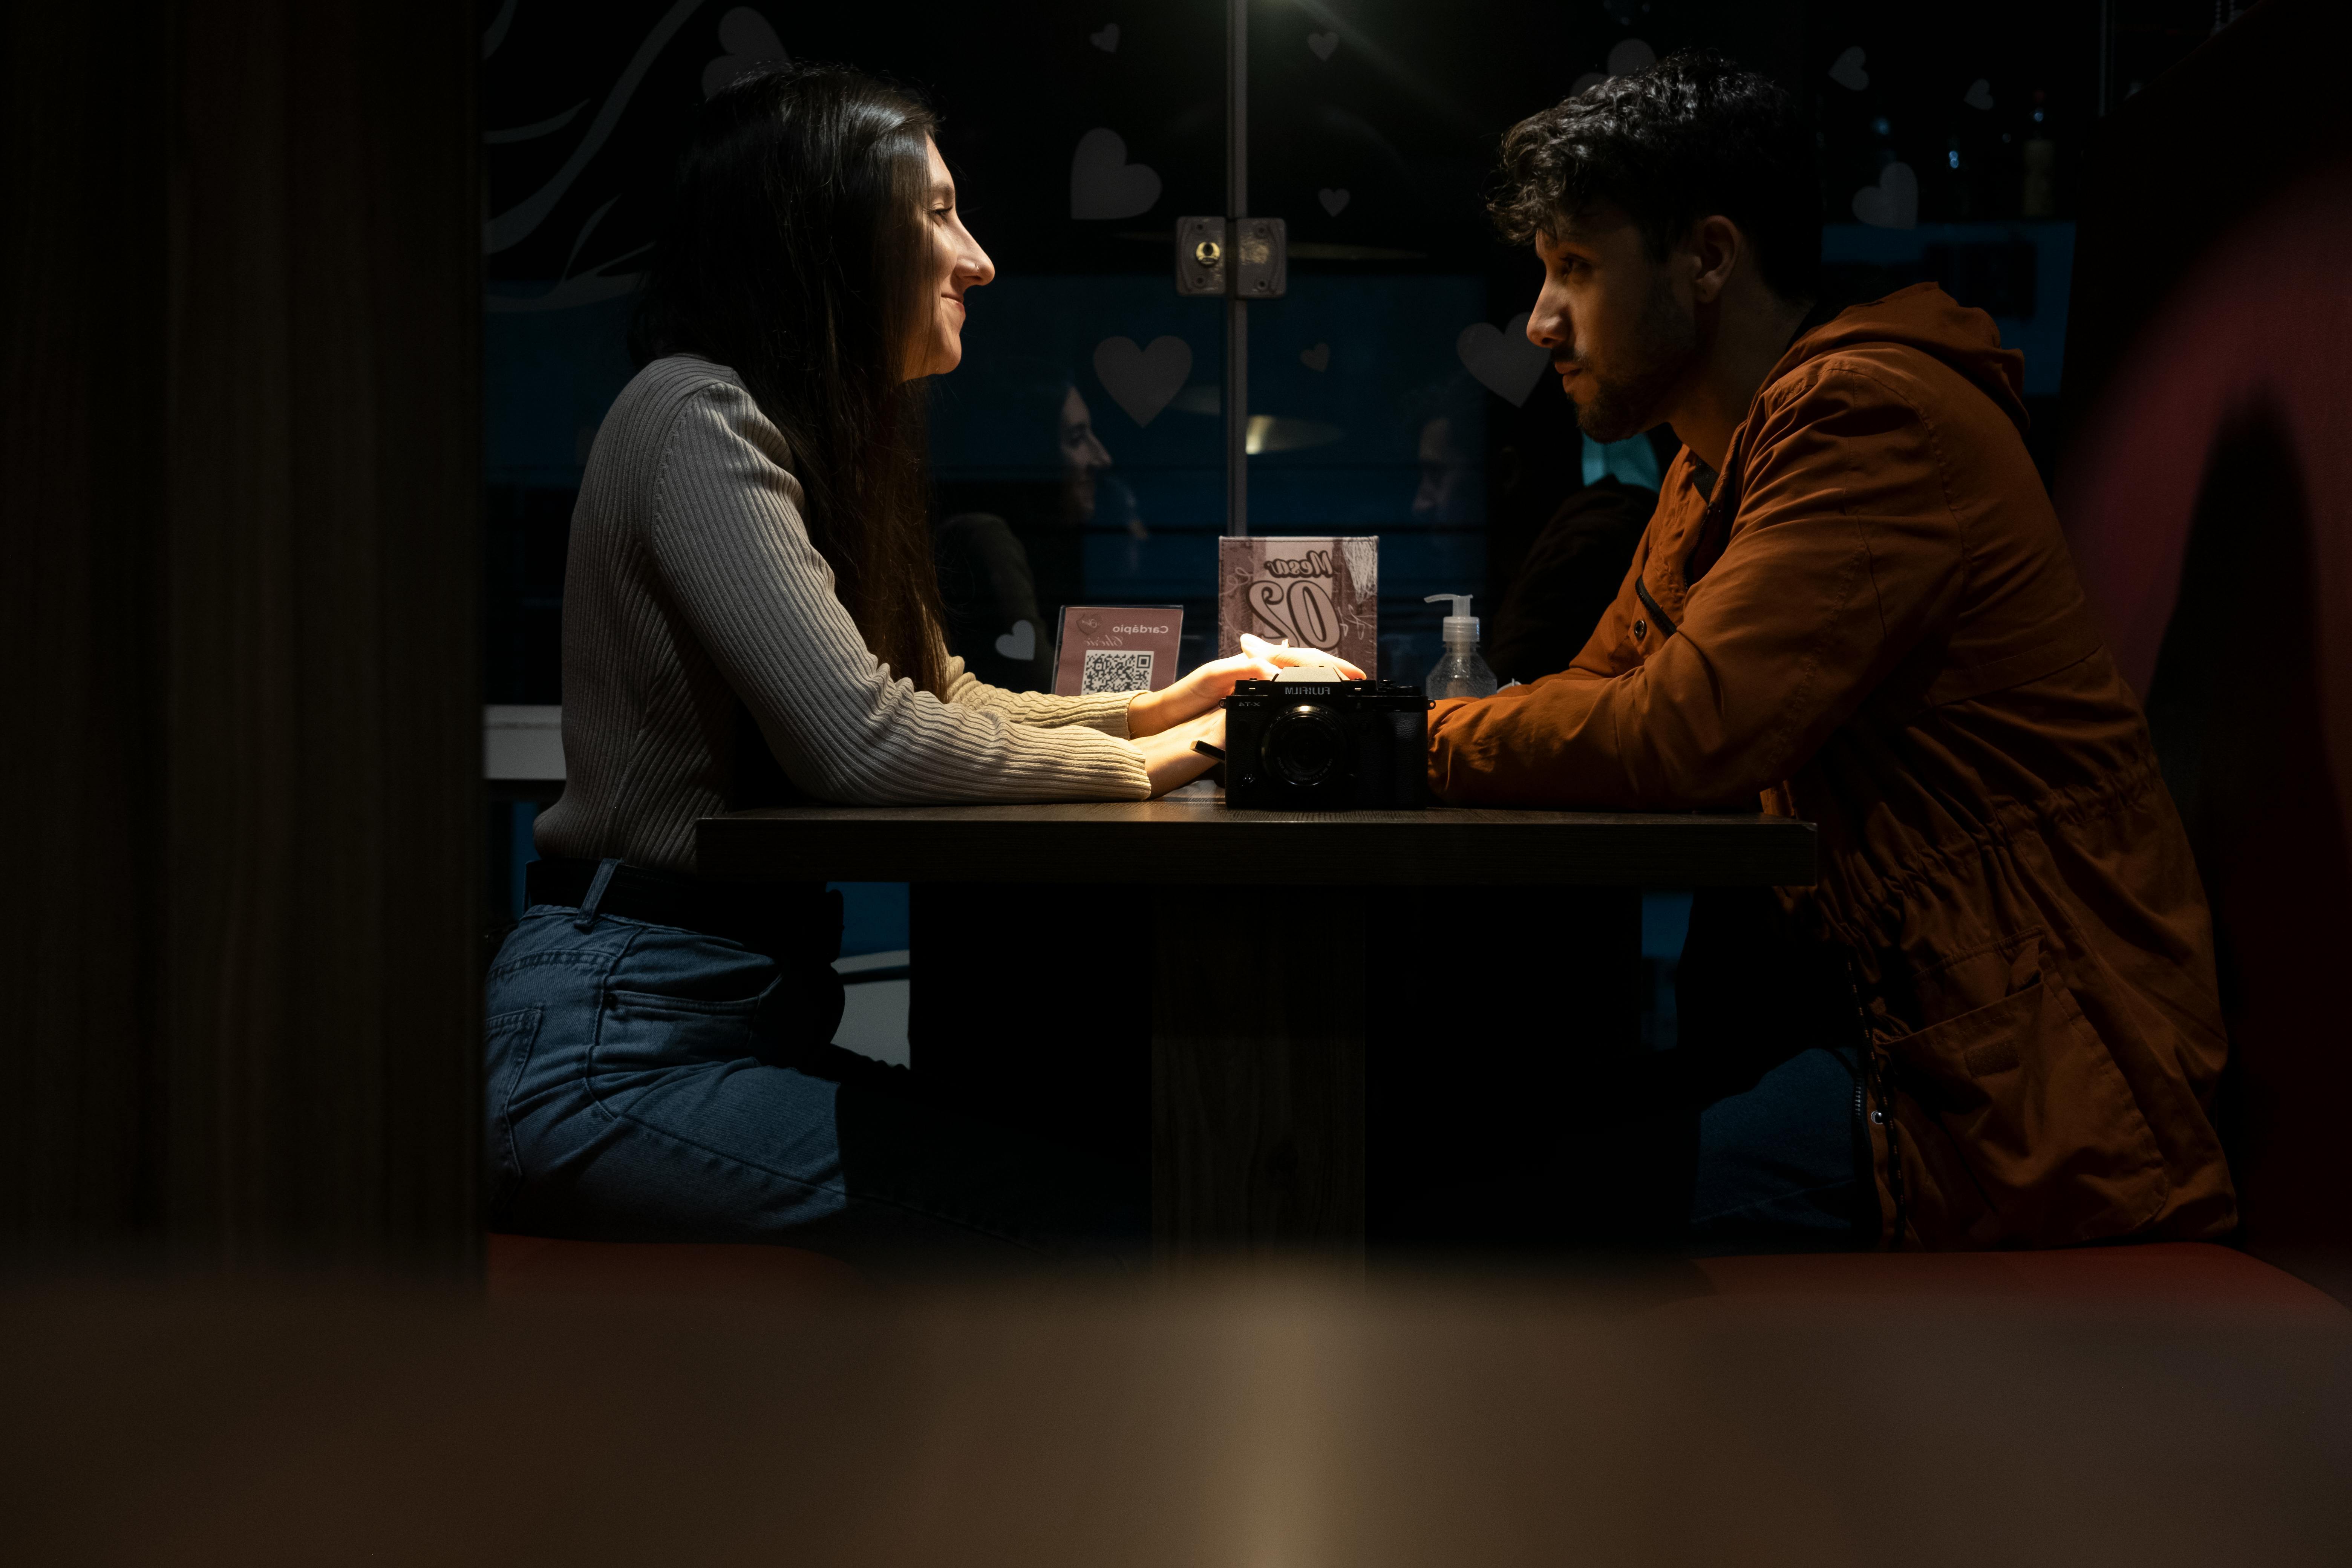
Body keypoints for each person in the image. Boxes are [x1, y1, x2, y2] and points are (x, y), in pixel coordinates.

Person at [485, 64, 1353, 1267]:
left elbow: (941, 695)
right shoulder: (694, 415)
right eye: (938, 214)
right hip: (610, 1046)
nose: (980, 259)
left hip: (722, 1016)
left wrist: (1171, 704)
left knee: (1121, 1175)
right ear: (826, 234)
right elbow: (863, 741)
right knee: (1127, 1221)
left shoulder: (802, 434)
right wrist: (1186, 757)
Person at [1428, 52, 2233, 1250]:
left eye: (1577, 270)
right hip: (1910, 1031)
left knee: (1505, 1232)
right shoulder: (1714, 460)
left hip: (2025, 1086)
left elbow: (1681, 729)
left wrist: (1410, 736)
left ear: (1708, 258)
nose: (1541, 320)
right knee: (1484, 1150)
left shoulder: (1866, 419)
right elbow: (1599, 693)